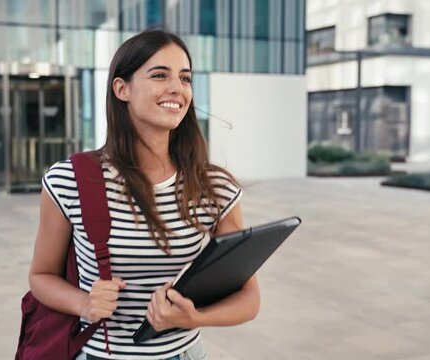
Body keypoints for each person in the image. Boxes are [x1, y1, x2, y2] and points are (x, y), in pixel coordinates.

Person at [28, 29, 260, 360]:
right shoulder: (70, 181)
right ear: (122, 89)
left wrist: (195, 318)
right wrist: (84, 303)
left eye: (185, 78)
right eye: (159, 75)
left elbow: (249, 297)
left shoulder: (215, 189)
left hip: (184, 354)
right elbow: (41, 276)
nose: (177, 89)